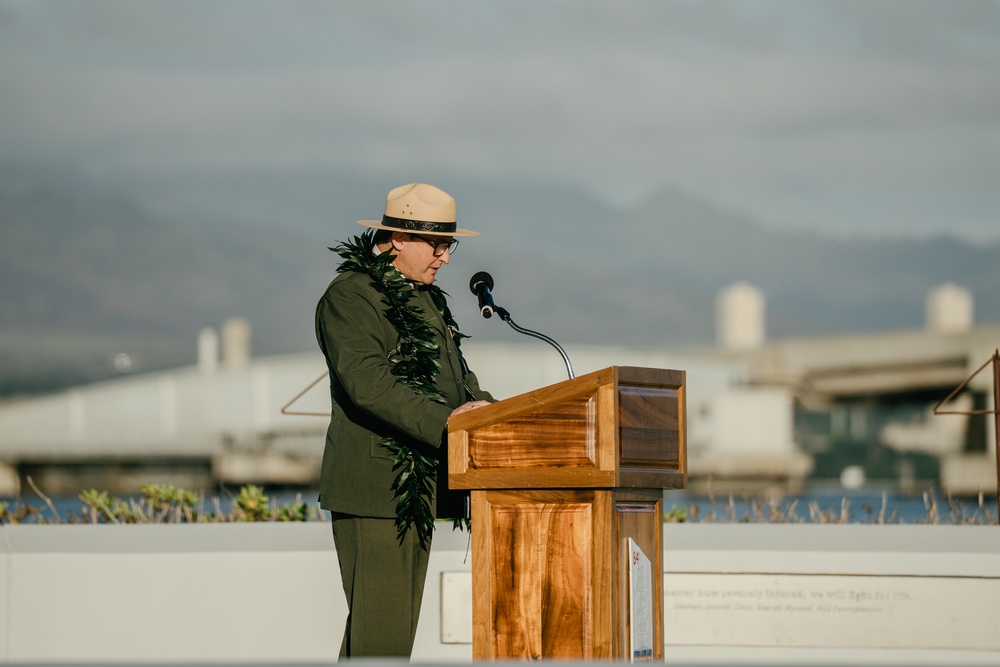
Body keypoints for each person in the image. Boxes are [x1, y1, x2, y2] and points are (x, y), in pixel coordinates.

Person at [314, 183, 493, 658]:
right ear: (397, 238)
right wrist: (452, 422)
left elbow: (459, 383)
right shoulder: (351, 297)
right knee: (381, 640)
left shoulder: (426, 298)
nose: (445, 258)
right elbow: (369, 385)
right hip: (376, 489)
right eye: (437, 245)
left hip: (418, 488)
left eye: (449, 245)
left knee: (382, 641)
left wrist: (496, 416)